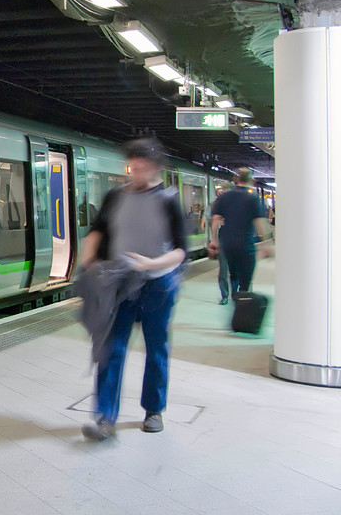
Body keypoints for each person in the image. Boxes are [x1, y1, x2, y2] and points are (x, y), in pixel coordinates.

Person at [79, 137, 186, 441]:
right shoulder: (115, 196)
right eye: (132, 167)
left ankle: (153, 410)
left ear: (154, 169)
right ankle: (105, 418)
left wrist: (149, 264)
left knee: (156, 348)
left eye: (142, 168)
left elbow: (180, 252)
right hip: (119, 284)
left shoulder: (167, 200)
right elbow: (97, 231)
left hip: (158, 285)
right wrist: (90, 261)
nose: (136, 174)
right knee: (111, 349)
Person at [208, 168, 271, 297]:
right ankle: (243, 300)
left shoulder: (224, 197)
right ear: (251, 180)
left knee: (233, 274)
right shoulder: (252, 198)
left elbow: (215, 220)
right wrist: (266, 243)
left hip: (227, 244)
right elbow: (260, 222)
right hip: (245, 245)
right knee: (246, 280)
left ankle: (234, 297)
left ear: (236, 180)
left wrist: (214, 239)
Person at [205, 187, 230, 305]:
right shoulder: (215, 205)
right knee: (223, 270)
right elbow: (212, 220)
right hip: (223, 240)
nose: (220, 194)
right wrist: (213, 240)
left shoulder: (235, 204)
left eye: (223, 192)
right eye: (219, 193)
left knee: (235, 270)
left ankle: (237, 294)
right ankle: (224, 296)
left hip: (237, 241)